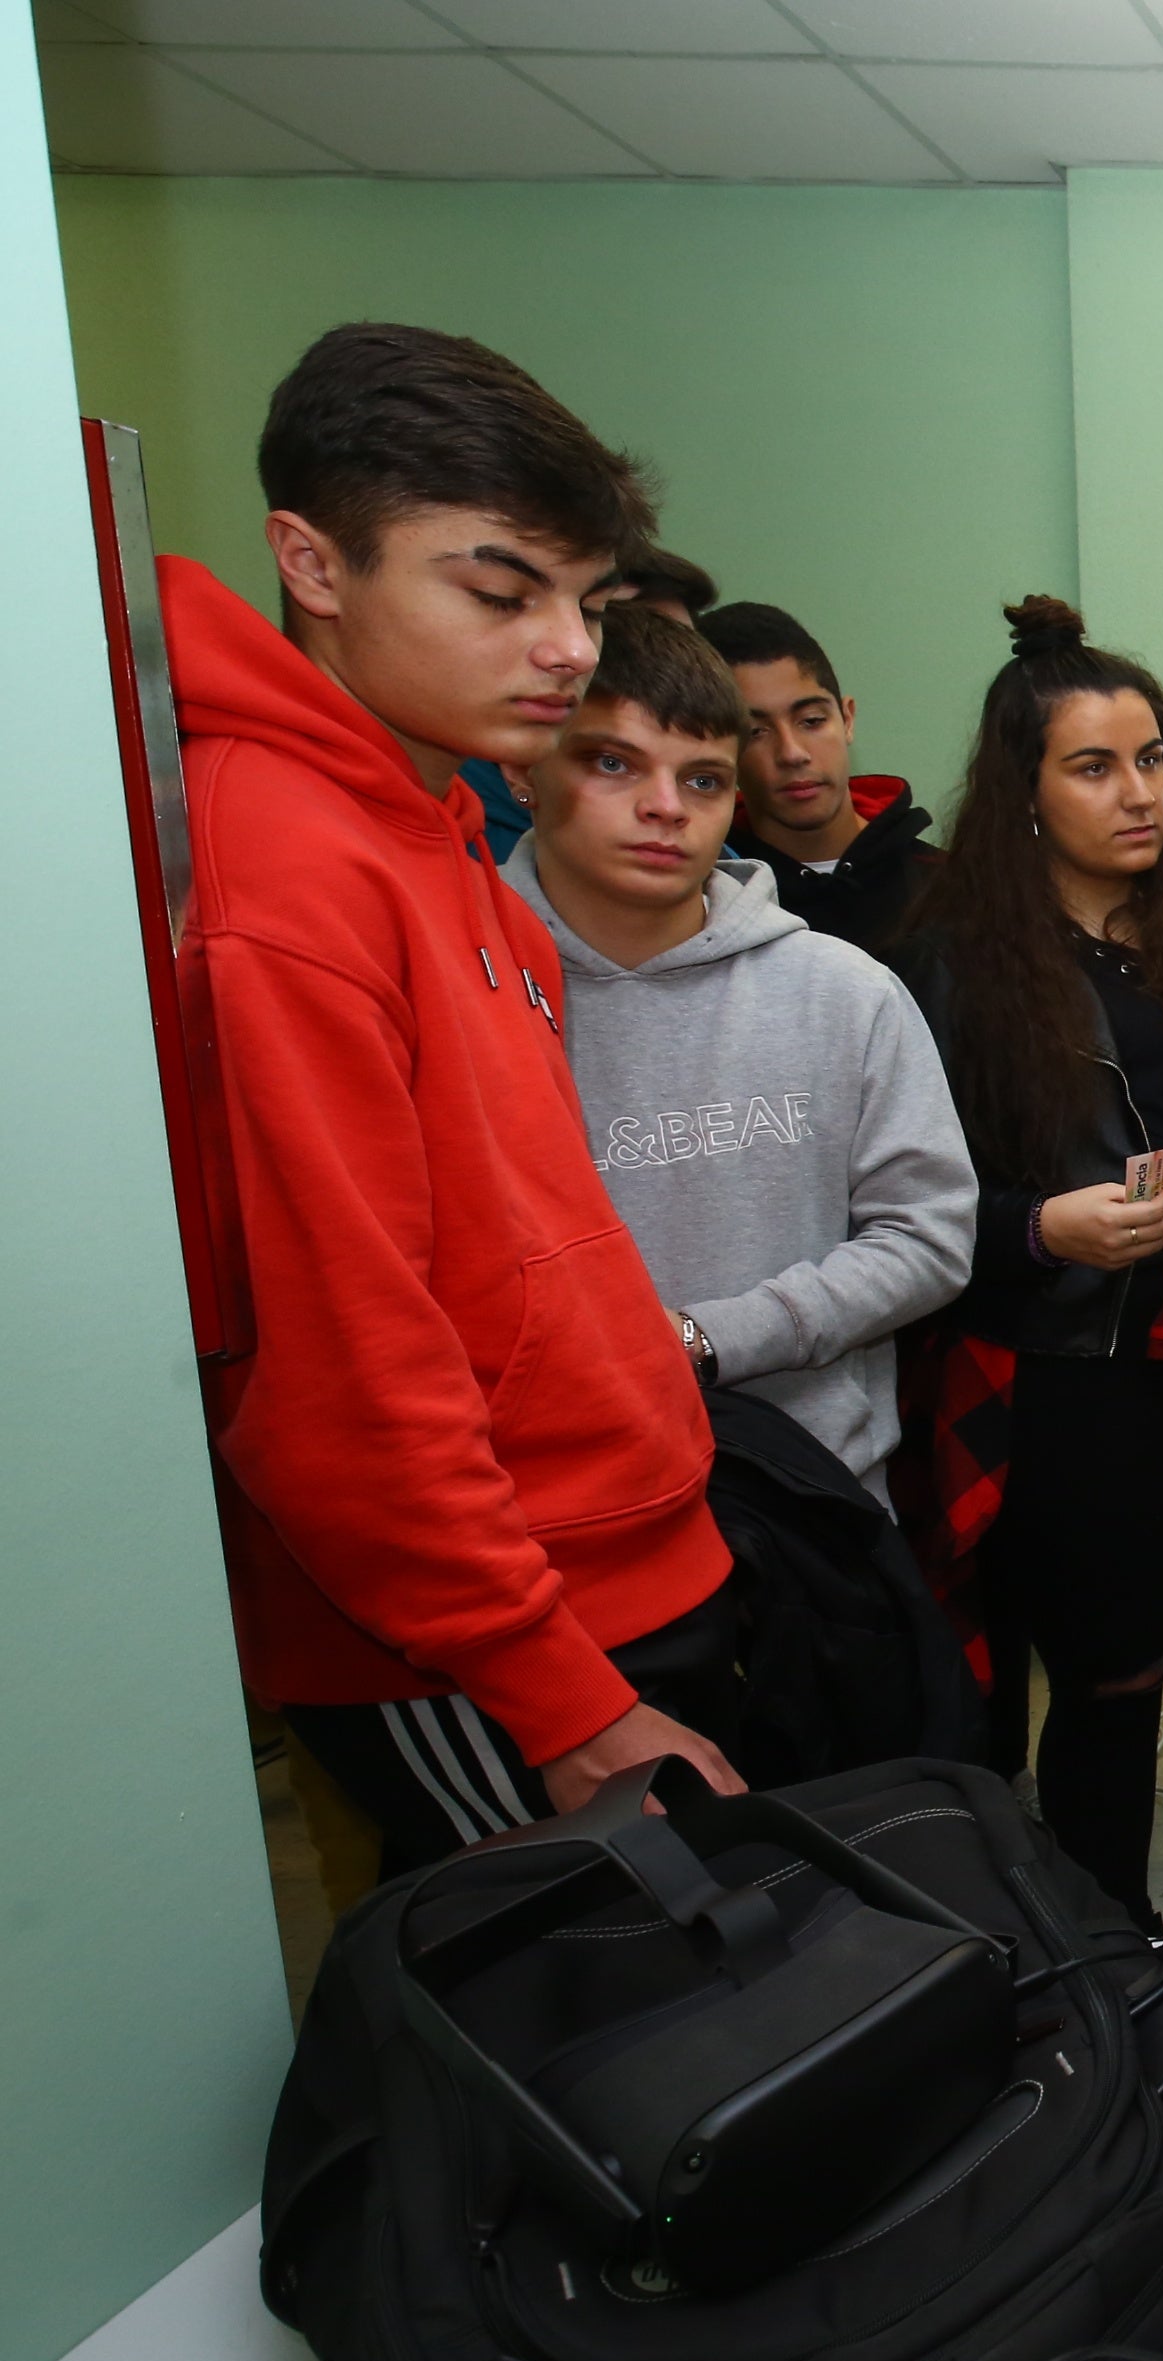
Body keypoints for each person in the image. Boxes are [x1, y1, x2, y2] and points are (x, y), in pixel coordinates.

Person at [173, 321, 743, 1870]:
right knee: (595, 2058)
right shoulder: (280, 868)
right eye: (502, 593)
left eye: (586, 600)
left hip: (600, 1560)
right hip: (479, 1636)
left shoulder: (432, 822)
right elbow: (339, 1362)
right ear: (312, 560)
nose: (568, 645)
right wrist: (556, 1696)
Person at [894, 595, 1163, 1925]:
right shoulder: (951, 970)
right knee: (1114, 1680)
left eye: (1148, 760)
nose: (1137, 793)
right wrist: (1042, 1226)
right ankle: (1110, 1957)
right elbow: (907, 1213)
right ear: (1024, 792)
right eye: (1094, 766)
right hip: (1070, 1374)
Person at [502, 603, 974, 1506]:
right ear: (524, 767)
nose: (664, 808)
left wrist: (706, 1338)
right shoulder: (459, 986)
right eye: (613, 762)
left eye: (705, 779)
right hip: (559, 1510)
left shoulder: (844, 990)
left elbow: (929, 1235)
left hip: (817, 1504)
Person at [700, 601, 941, 957]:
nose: (792, 752)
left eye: (811, 721)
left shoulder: (952, 888)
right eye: (755, 732)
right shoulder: (706, 901)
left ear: (847, 719)